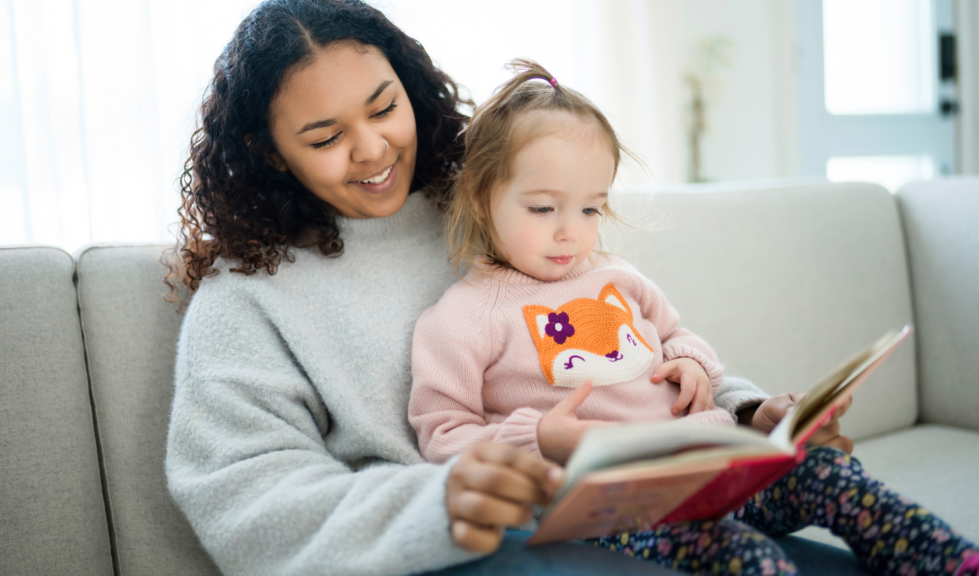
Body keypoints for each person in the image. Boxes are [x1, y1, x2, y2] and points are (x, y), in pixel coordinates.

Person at [163, 1, 890, 575]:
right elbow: (243, 502)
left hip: (632, 500)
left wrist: (750, 410)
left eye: (385, 108)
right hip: (458, 548)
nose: (374, 149)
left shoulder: (497, 207)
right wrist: (437, 504)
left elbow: (628, 344)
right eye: (325, 138)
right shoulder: (247, 294)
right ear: (269, 151)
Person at [407, 60, 979, 576]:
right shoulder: (460, 319)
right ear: (481, 197)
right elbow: (440, 435)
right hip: (618, 507)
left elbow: (674, 333)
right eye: (543, 208)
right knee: (743, 557)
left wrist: (689, 363)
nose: (571, 231)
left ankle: (949, 563)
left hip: (712, 462)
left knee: (831, 474)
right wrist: (537, 437)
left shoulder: (615, 276)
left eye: (590, 208)